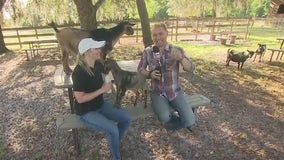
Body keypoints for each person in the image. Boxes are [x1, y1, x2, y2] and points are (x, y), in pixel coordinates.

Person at [72, 38, 131, 160]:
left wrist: (108, 79)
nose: (100, 51)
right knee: (113, 129)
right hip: (86, 112)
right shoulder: (79, 72)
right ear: (87, 52)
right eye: (96, 48)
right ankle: (116, 157)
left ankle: (113, 140)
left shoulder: (98, 63)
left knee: (126, 119)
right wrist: (101, 90)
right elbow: (80, 99)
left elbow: (106, 71)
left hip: (100, 105)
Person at [137, 23, 196, 132]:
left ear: (167, 33)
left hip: (175, 91)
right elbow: (140, 69)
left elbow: (191, 68)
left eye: (160, 34)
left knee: (190, 121)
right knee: (164, 117)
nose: (158, 37)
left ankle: (180, 120)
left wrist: (181, 58)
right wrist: (149, 74)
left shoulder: (177, 50)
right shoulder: (148, 51)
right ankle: (175, 120)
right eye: (155, 35)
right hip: (157, 92)